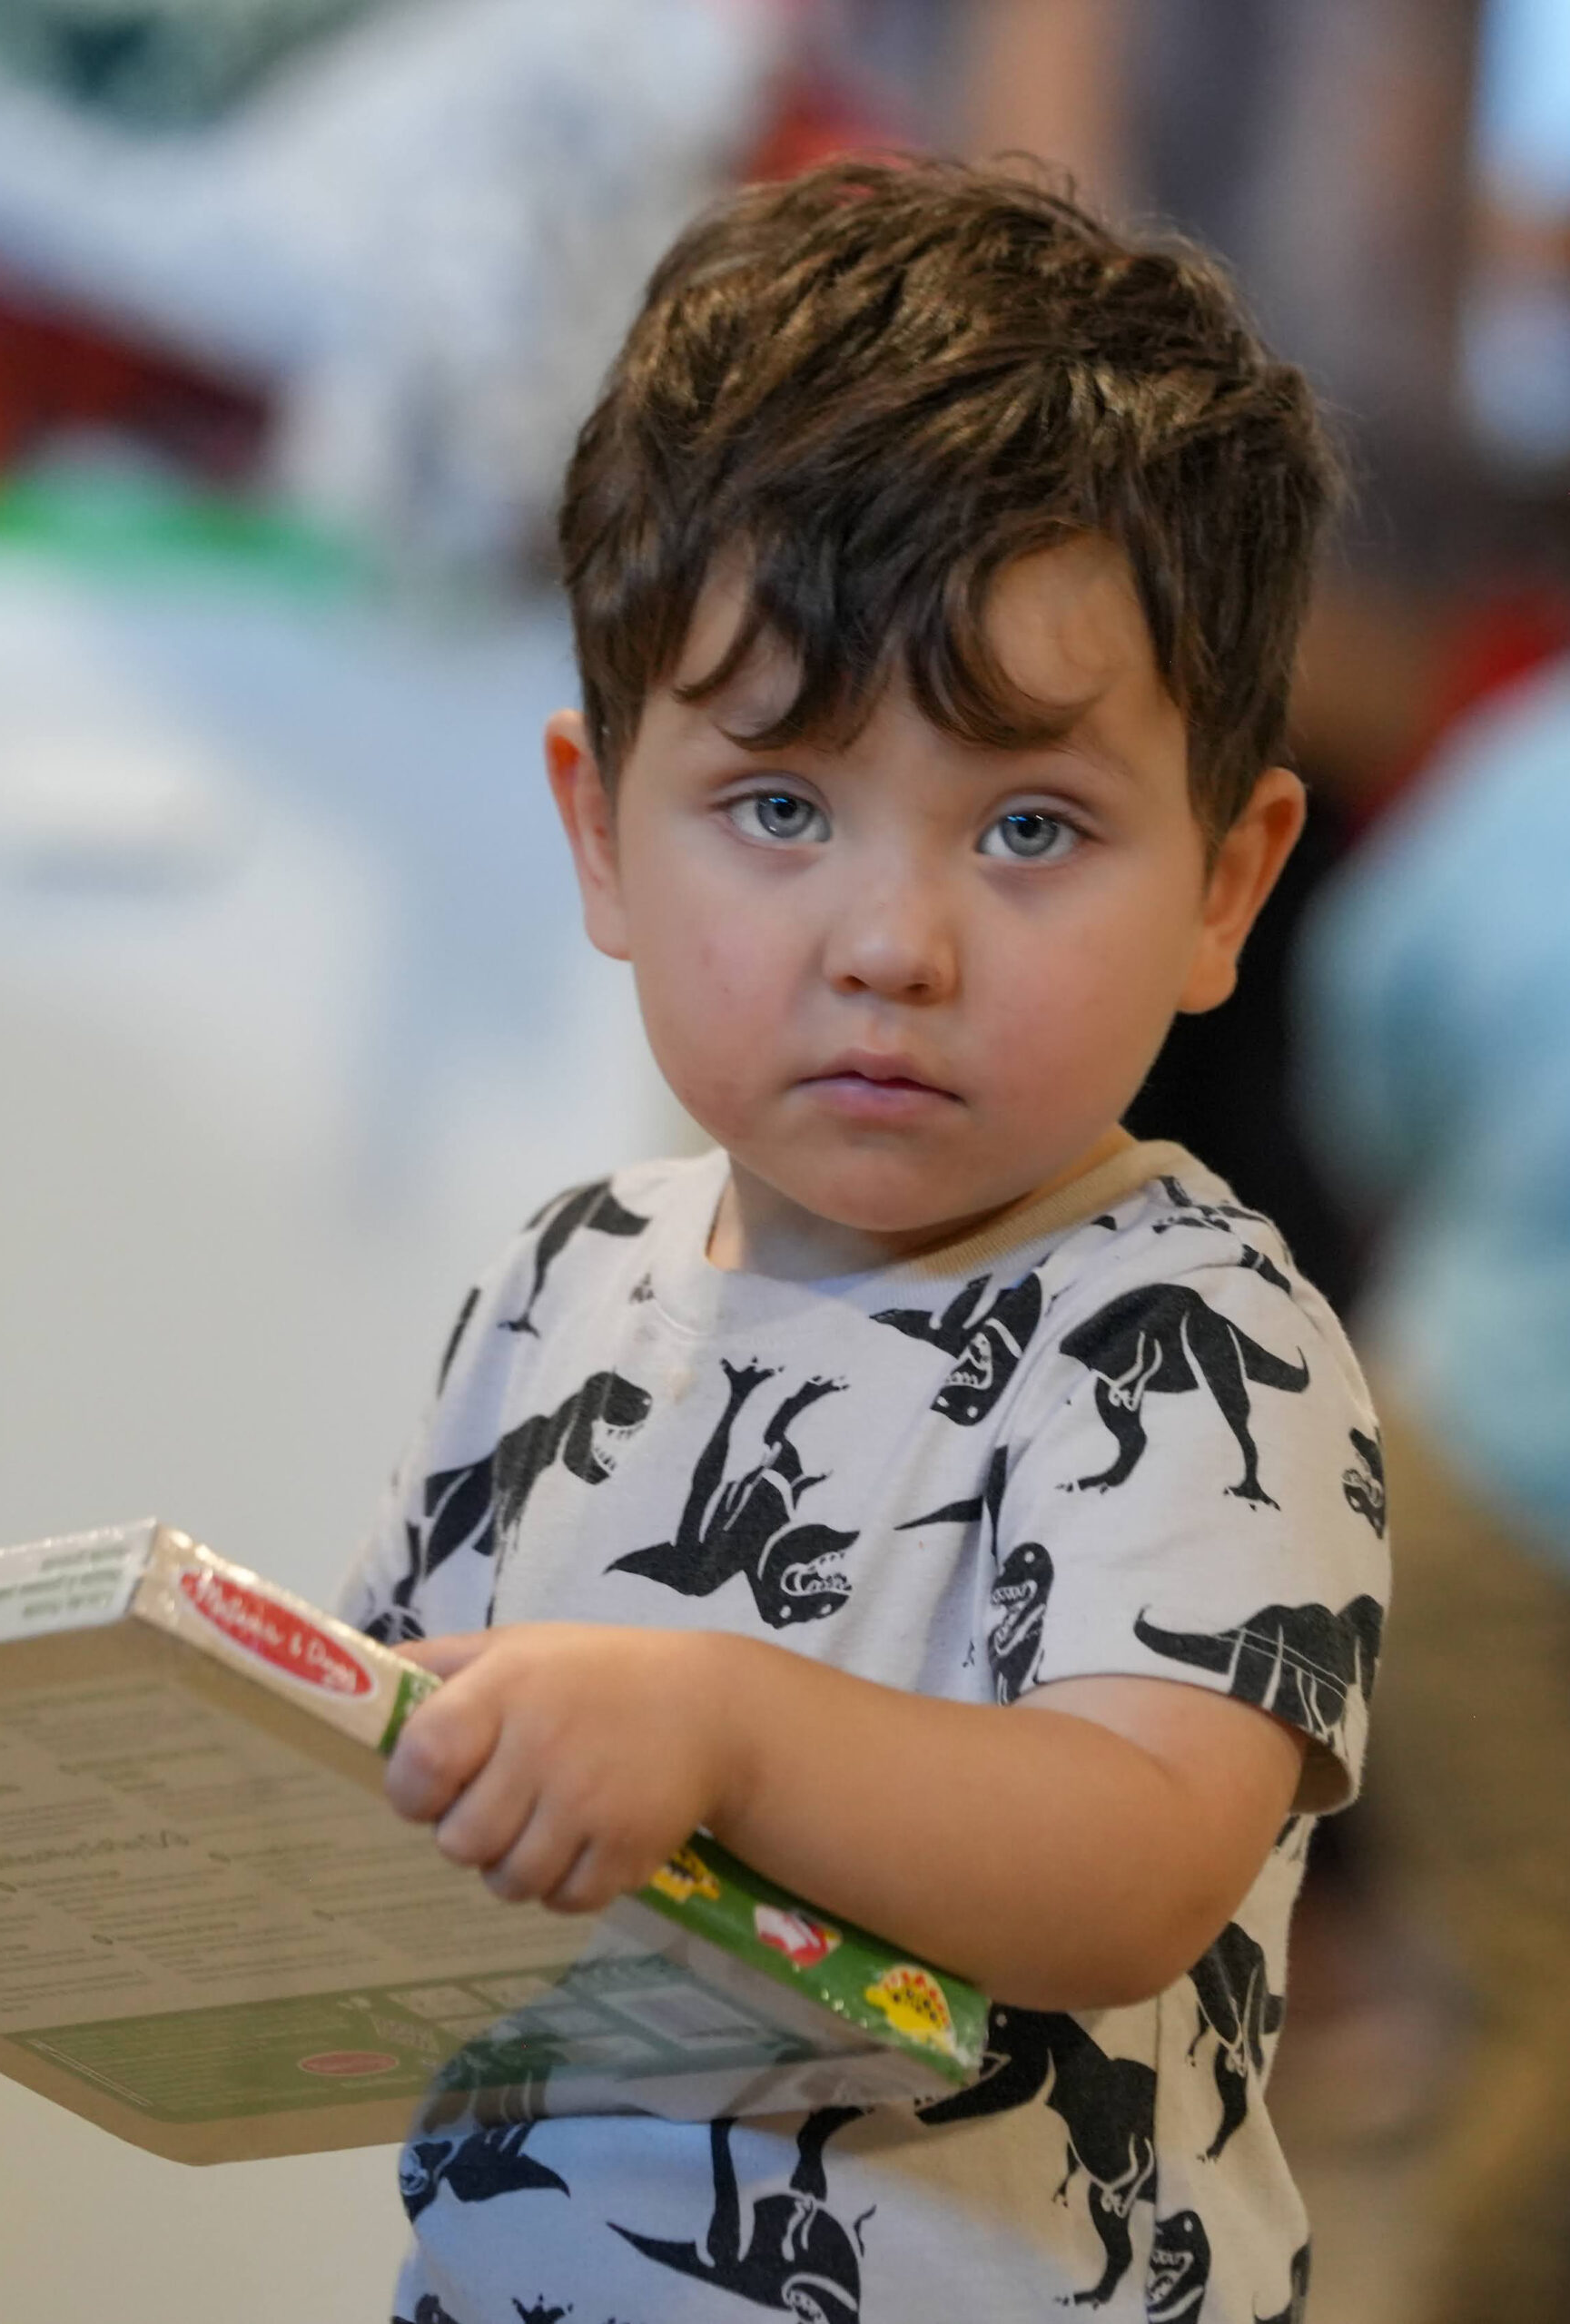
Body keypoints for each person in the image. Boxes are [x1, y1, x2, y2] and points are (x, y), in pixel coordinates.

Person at [339, 156, 1388, 2324]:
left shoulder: (1195, 1332)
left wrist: (713, 1728)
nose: (891, 942)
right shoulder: (558, 1283)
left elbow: (1128, 1855)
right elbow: (399, 1762)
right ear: (598, 830)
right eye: (778, 806)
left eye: (1027, 825)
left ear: (1224, 877)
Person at [1296, 655, 1570, 2324]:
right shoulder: (1533, 777)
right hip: (1495, 1473)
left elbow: (1369, 1060)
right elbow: (1362, 1029)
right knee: (1554, 2025)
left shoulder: (1525, 767)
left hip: (1470, 1406)